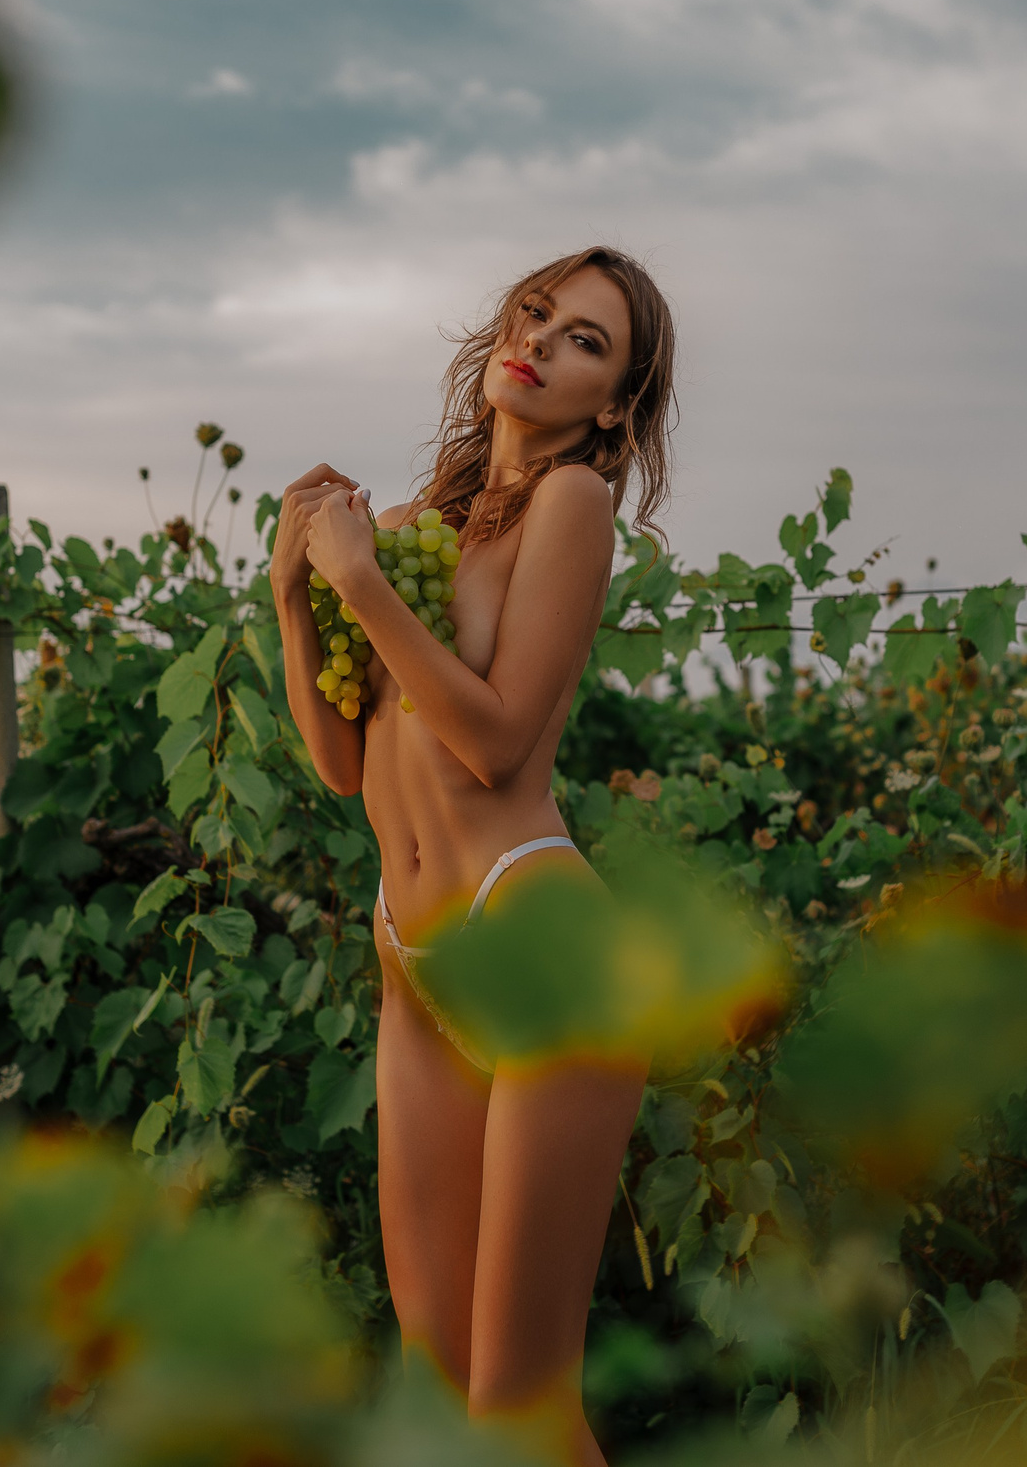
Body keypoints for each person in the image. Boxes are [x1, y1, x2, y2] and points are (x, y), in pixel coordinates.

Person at [269, 247, 678, 1466]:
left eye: (585, 341)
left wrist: (358, 583)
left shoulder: (572, 506)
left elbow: (498, 742)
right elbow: (344, 766)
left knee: (521, 1399)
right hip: (416, 958)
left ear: (612, 404)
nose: (542, 341)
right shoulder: (408, 530)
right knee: (436, 1387)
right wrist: (299, 597)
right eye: (536, 313)